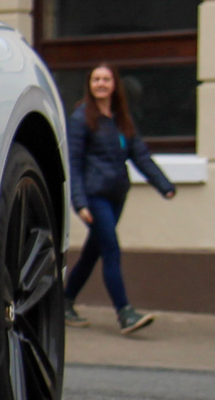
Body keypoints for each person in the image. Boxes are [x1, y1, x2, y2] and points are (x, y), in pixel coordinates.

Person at [63, 63, 176, 333]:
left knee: (94, 251)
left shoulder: (121, 118)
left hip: (116, 196)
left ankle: (64, 301)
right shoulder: (81, 118)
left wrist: (163, 185)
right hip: (94, 197)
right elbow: (74, 164)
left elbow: (140, 155)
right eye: (95, 79)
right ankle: (125, 313)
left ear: (115, 85)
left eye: (106, 79)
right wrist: (79, 203)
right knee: (111, 249)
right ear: (89, 85)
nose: (101, 84)